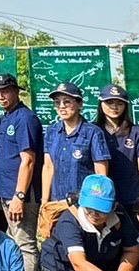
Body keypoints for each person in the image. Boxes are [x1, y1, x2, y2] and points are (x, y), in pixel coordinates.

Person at [0, 73, 45, 271]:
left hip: (20, 194)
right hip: (5, 191)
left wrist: (20, 195)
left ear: (16, 91)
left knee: (25, 244)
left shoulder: (25, 118)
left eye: (5, 91)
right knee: (14, 242)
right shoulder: (7, 118)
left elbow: (28, 160)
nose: (1, 96)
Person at [41, 83, 112, 227]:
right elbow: (48, 167)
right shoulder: (51, 131)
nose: (61, 106)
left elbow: (101, 173)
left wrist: (96, 203)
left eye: (67, 102)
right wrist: (44, 201)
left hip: (85, 204)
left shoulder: (93, 132)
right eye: (57, 102)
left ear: (80, 104)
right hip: (57, 203)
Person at [94, 85, 139, 215]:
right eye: (109, 102)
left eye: (119, 103)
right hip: (102, 197)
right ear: (101, 104)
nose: (114, 107)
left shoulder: (137, 132)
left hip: (131, 197)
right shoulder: (93, 131)